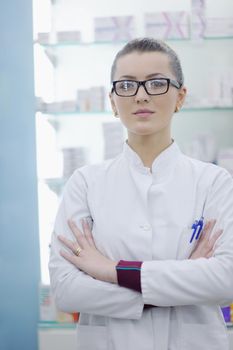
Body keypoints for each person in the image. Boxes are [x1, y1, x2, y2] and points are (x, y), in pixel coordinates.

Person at [49, 38, 233, 350]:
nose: (141, 95)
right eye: (127, 86)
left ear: (180, 96)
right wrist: (180, 283)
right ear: (112, 100)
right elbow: (67, 291)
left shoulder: (214, 181)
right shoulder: (84, 183)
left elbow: (225, 280)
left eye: (156, 83)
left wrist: (109, 271)